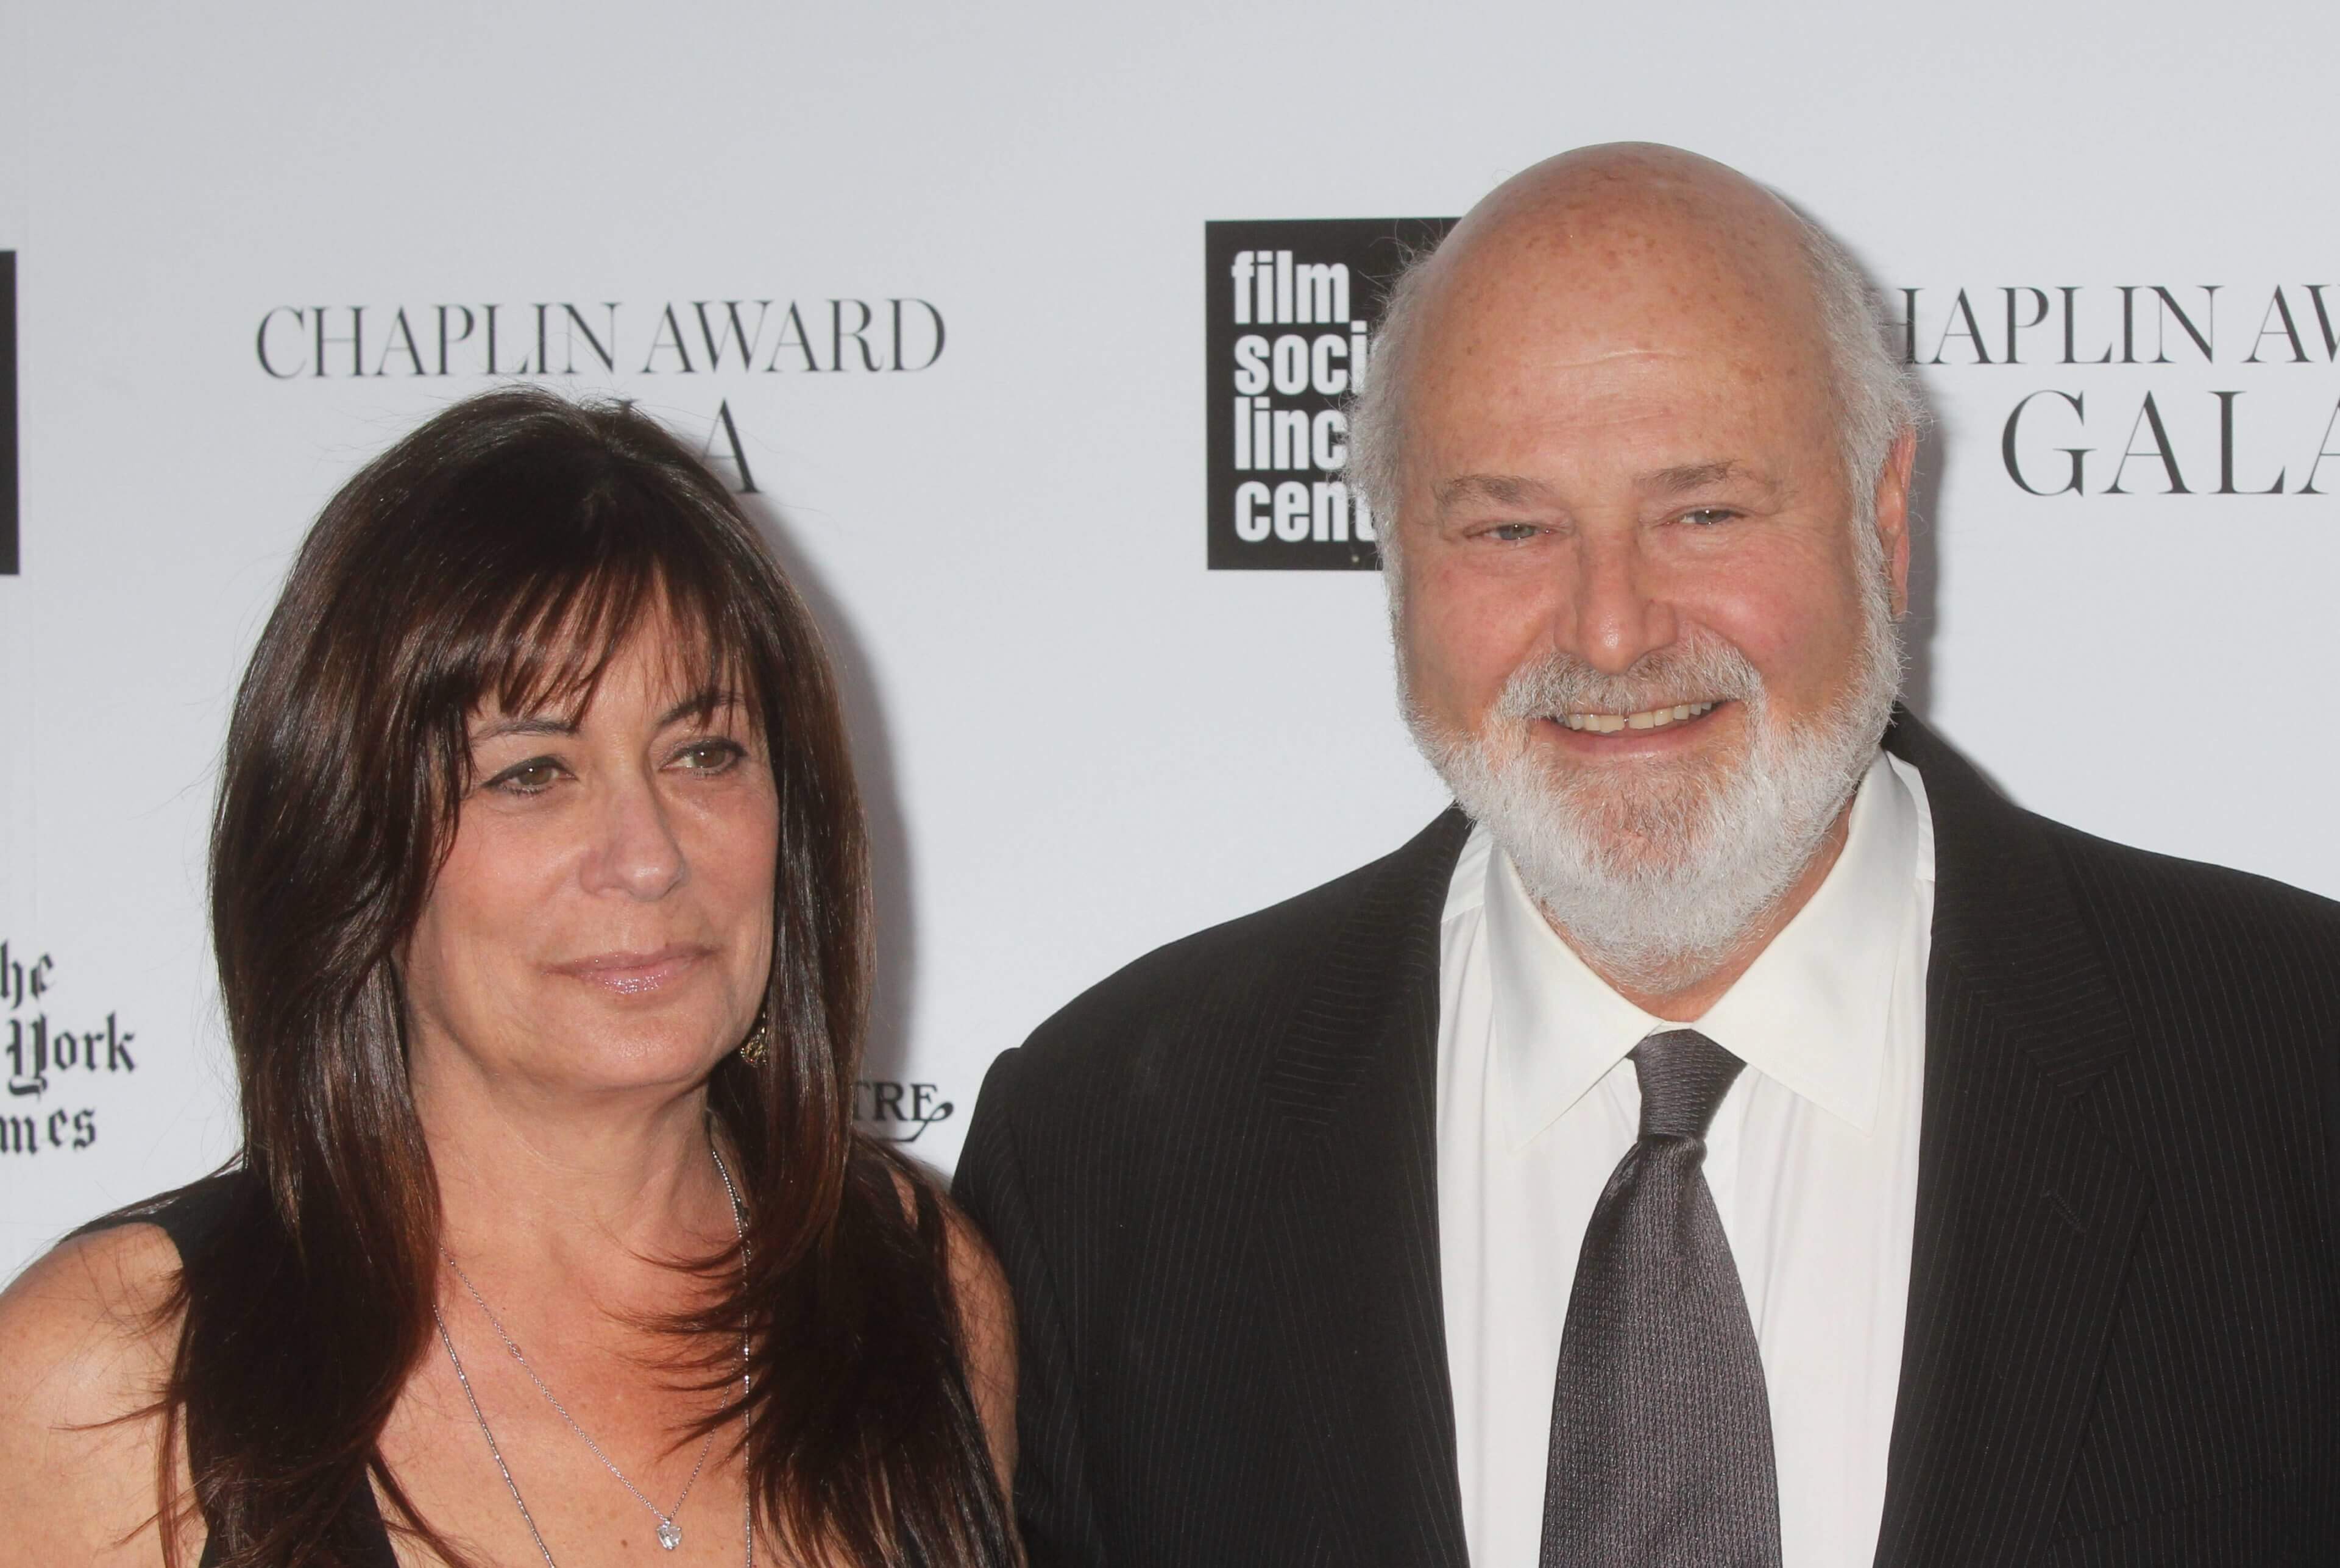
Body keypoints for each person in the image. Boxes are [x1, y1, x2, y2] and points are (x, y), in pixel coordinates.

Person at [954, 144, 2340, 1568]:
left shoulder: (2300, 1069)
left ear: (1883, 519)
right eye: (1511, 527)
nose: (1611, 631)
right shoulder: (1101, 1159)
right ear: (1397, 557)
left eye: (1704, 513)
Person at [0, 389, 1017, 1568]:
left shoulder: (921, 1293)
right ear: (348, 843)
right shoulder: (115, 1380)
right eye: (532, 772)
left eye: (704, 753)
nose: (648, 855)